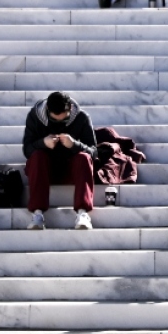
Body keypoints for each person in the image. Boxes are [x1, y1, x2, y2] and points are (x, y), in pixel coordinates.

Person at [21, 91, 97, 230]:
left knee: (84, 157)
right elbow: (27, 150)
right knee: (37, 156)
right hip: (44, 168)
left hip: (72, 168)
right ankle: (37, 214)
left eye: (64, 119)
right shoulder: (35, 116)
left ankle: (82, 213)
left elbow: (94, 152)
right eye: (55, 120)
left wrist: (74, 144)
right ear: (48, 112)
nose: (60, 123)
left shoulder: (82, 117)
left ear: (70, 109)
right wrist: (43, 143)